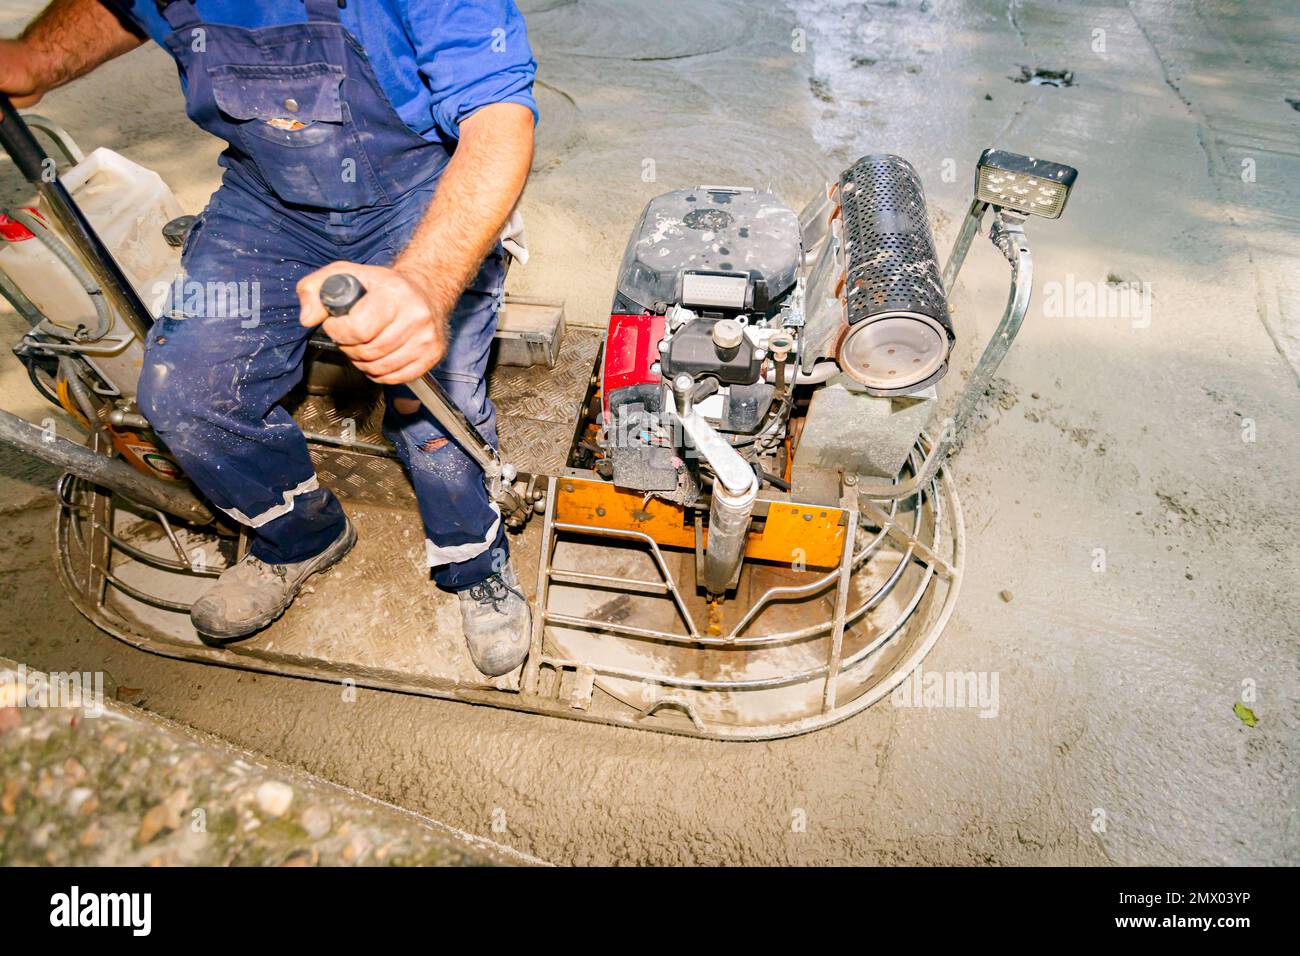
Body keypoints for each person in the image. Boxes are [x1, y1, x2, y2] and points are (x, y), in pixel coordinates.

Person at [0, 0, 538, 677]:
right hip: (266, 197)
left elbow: (499, 118)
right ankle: (299, 533)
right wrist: (38, 57)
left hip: (422, 184)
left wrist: (426, 285)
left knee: (431, 404)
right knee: (185, 393)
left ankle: (472, 559)